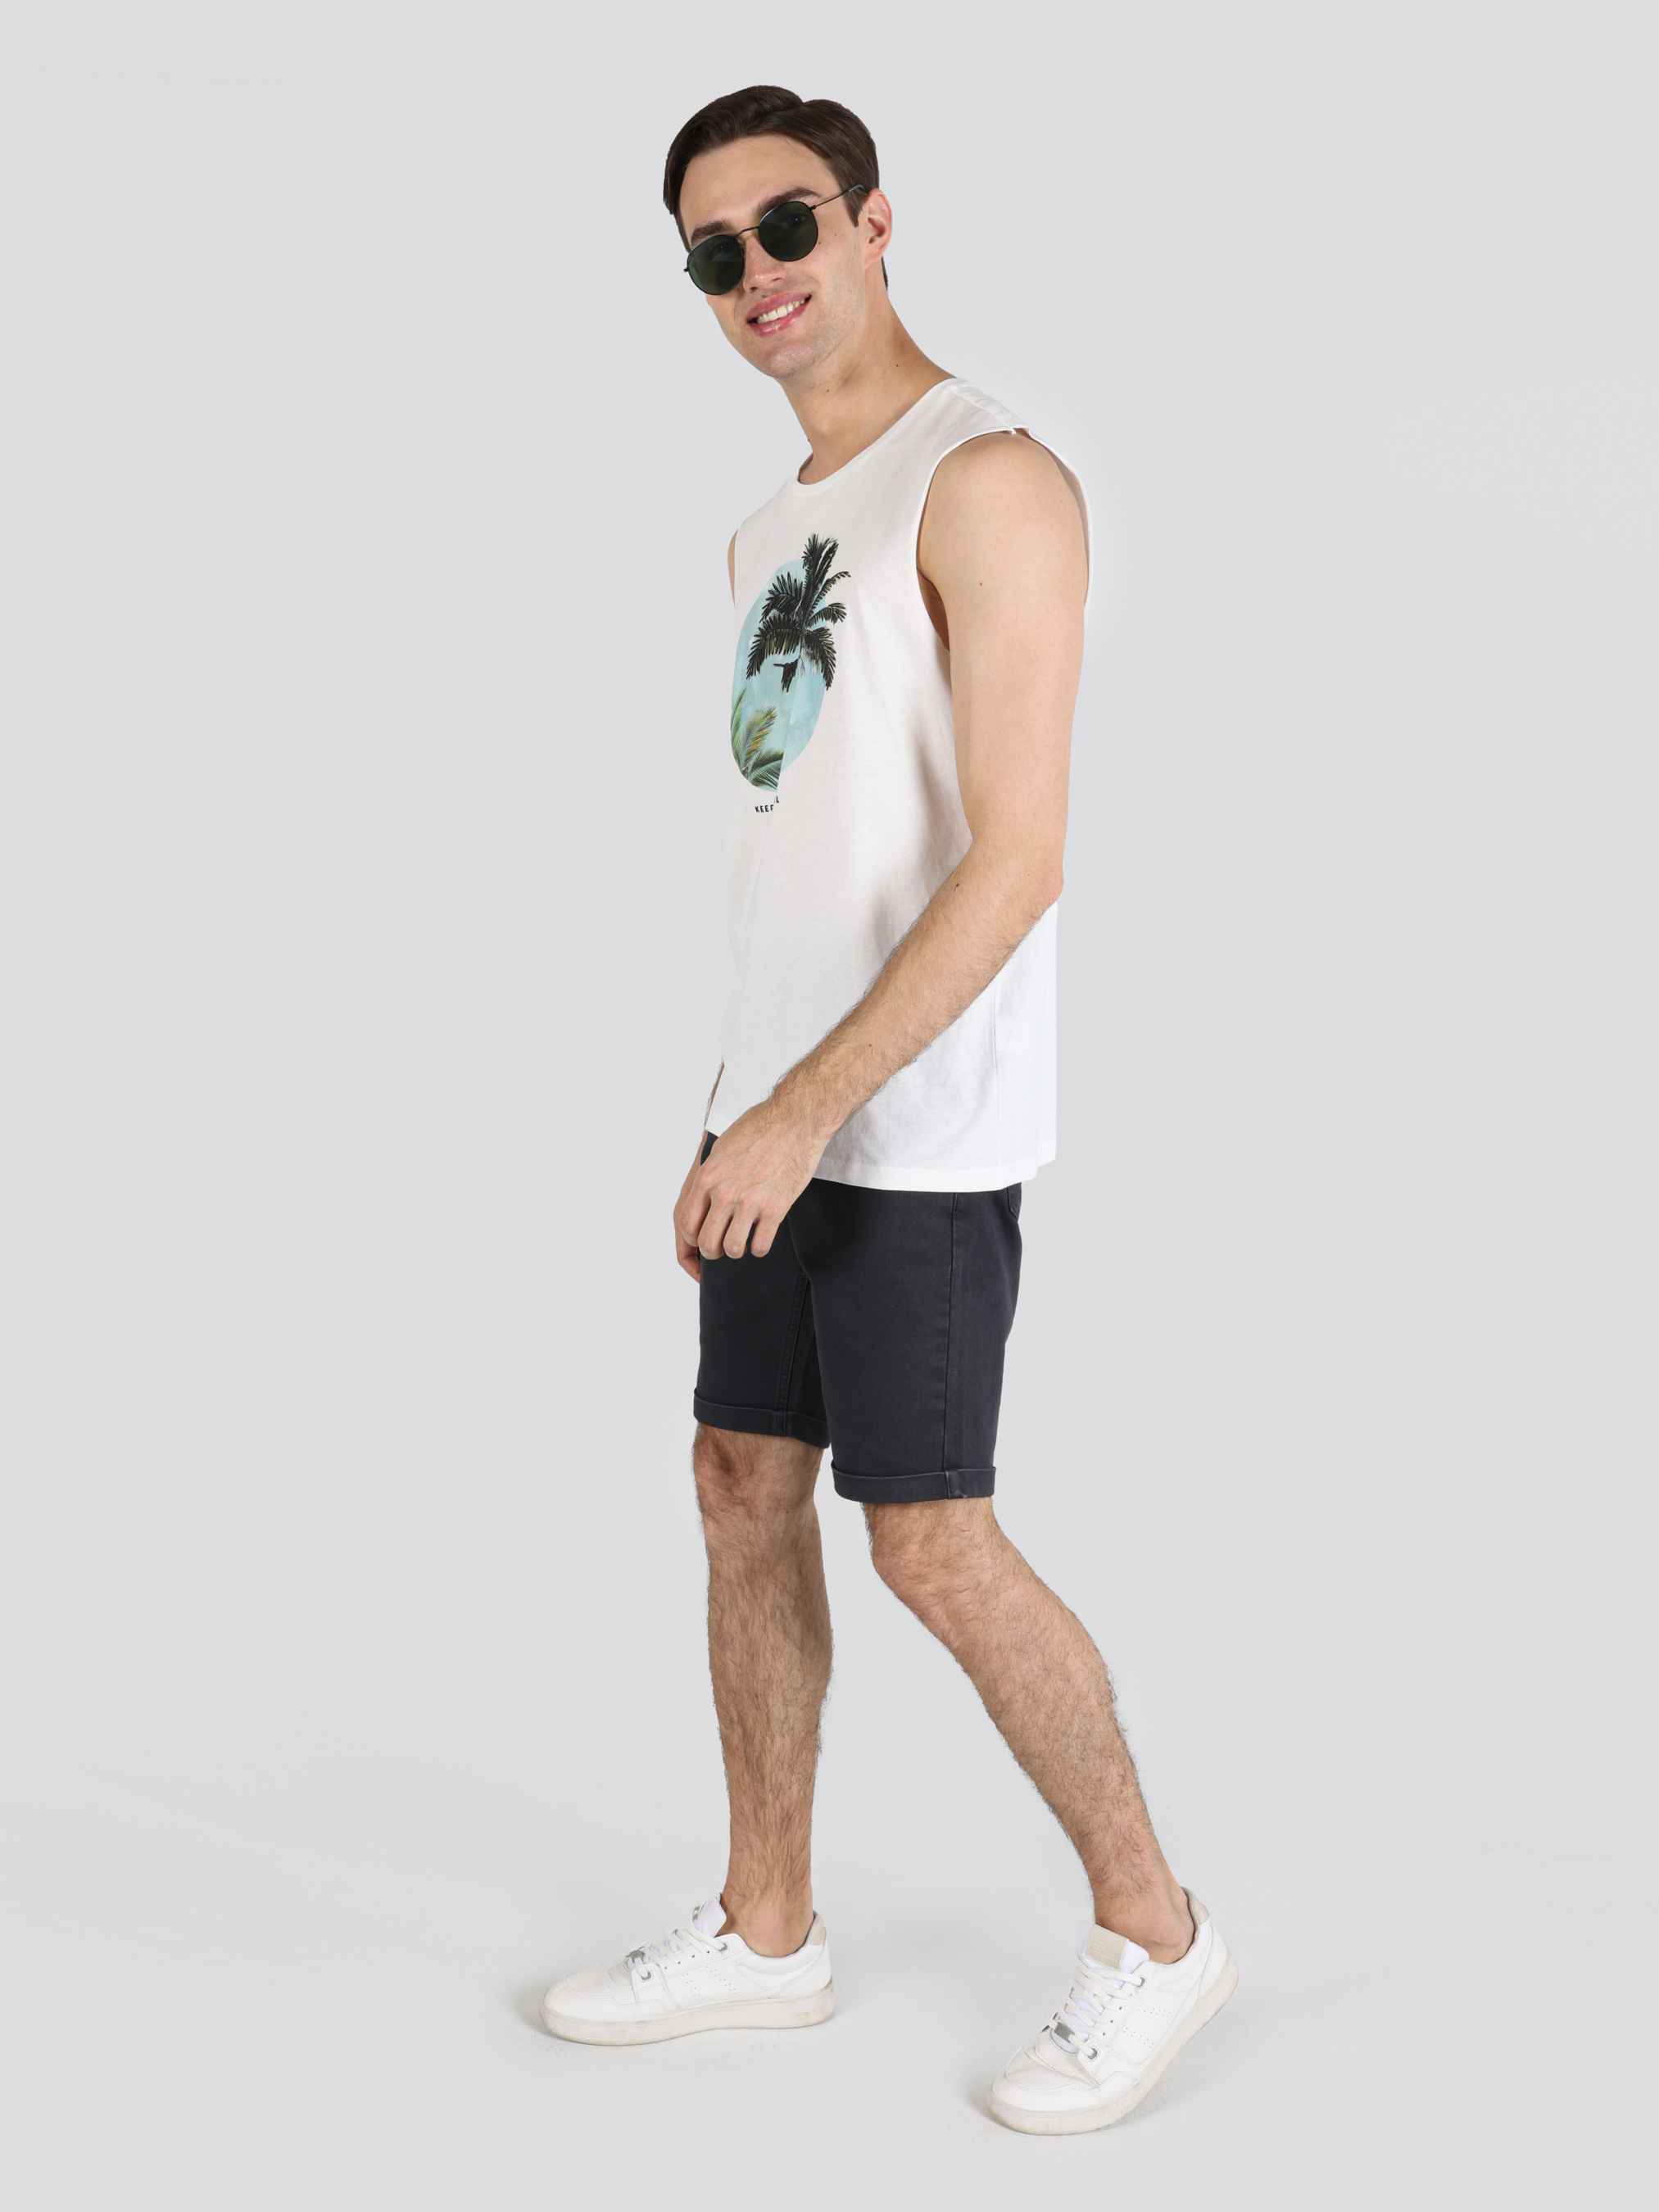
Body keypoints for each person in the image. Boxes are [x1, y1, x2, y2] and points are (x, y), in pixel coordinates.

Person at [541, 85, 1235, 2133]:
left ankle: (1157, 1934)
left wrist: (807, 1112)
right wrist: (730, 1113)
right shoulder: (767, 529)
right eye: (713, 253)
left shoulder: (986, 477)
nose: (755, 274)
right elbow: (807, 859)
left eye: (786, 225)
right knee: (736, 1485)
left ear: (869, 221)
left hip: (913, 1124)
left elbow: (1014, 861)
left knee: (927, 1536)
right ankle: (768, 1931)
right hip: (772, 1109)